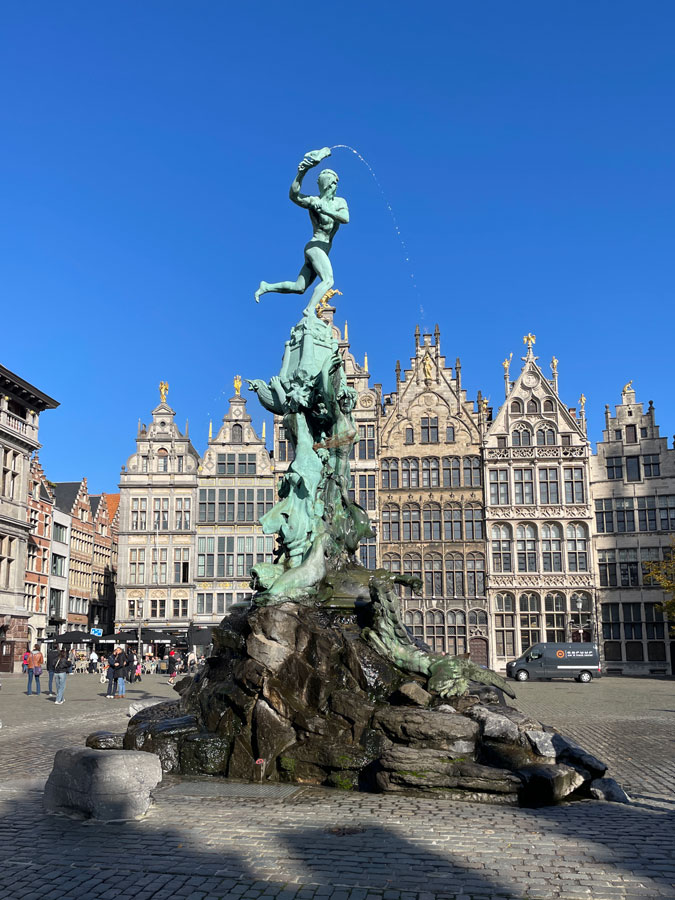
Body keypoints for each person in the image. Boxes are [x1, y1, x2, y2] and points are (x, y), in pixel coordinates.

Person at [254, 150, 349, 317]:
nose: (336, 186)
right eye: (333, 183)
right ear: (326, 184)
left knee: (299, 287)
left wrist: (327, 210)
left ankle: (266, 287)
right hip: (314, 247)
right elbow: (294, 195)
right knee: (328, 280)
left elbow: (345, 218)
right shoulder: (314, 201)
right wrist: (302, 172)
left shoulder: (339, 202)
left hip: (322, 250)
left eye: (336, 183)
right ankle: (309, 310)